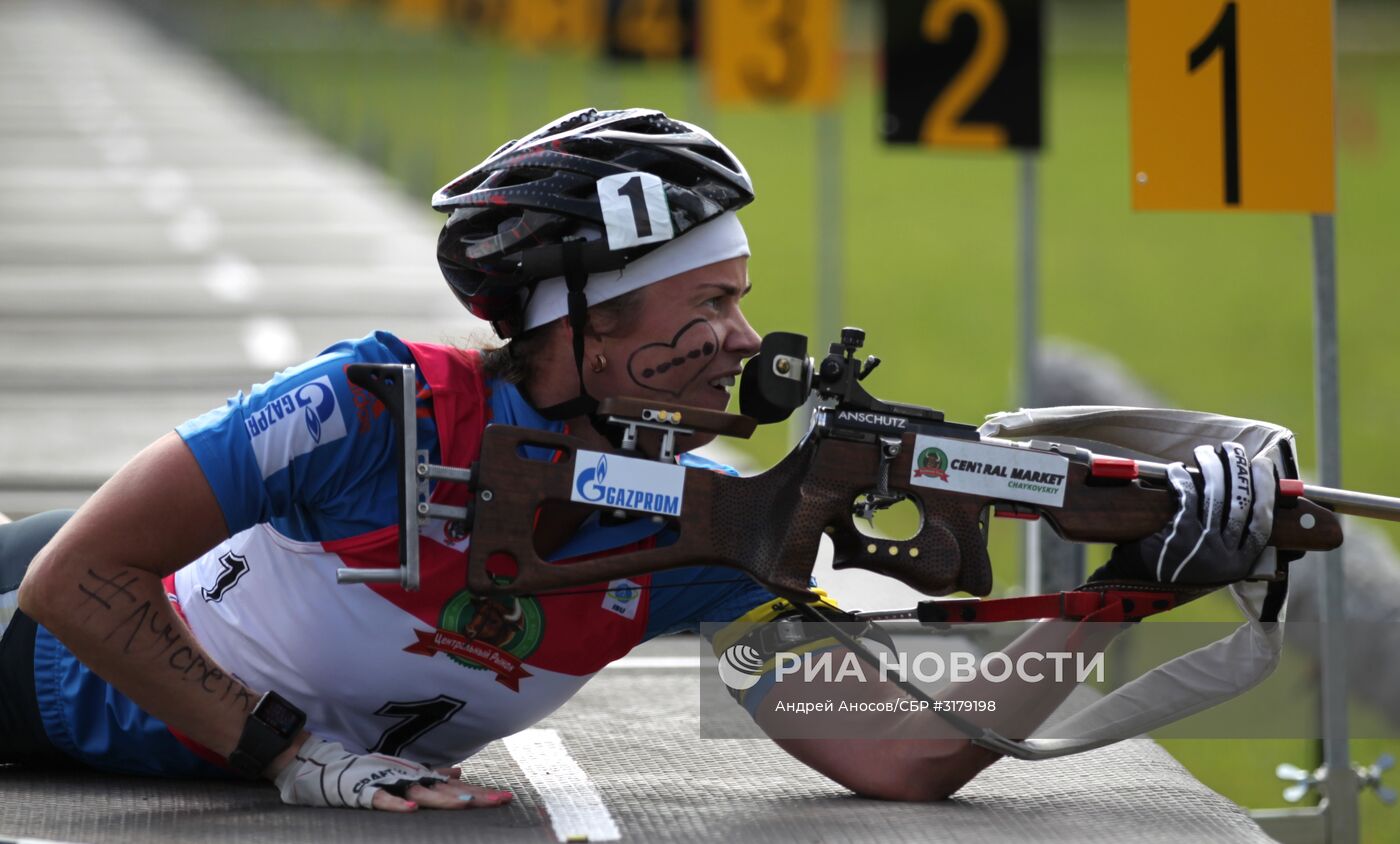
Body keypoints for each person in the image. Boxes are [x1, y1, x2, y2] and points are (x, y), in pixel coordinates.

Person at [1, 108, 1276, 811]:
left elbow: (901, 753)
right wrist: (296, 754)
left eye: (739, 298)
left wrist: (1124, 590)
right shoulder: (369, 405)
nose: (737, 337)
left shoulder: (699, 520)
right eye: (700, 303)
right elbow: (75, 580)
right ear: (575, 314)